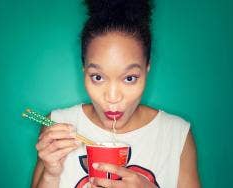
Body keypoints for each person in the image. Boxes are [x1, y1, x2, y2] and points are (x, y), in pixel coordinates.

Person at [32, 0, 200, 187]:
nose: (112, 97)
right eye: (97, 77)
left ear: (147, 69)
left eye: (129, 78)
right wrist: (51, 175)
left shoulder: (176, 135)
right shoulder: (57, 125)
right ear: (83, 69)